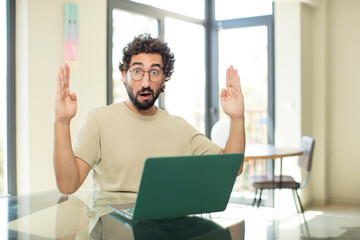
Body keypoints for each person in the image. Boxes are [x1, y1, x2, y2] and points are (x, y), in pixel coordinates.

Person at [54, 34, 245, 195]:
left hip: (166, 228)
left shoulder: (179, 128)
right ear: (123, 74)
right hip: (112, 229)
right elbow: (68, 186)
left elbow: (233, 168)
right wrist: (62, 122)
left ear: (164, 79)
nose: (145, 82)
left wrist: (237, 119)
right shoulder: (99, 120)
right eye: (137, 71)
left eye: (154, 72)